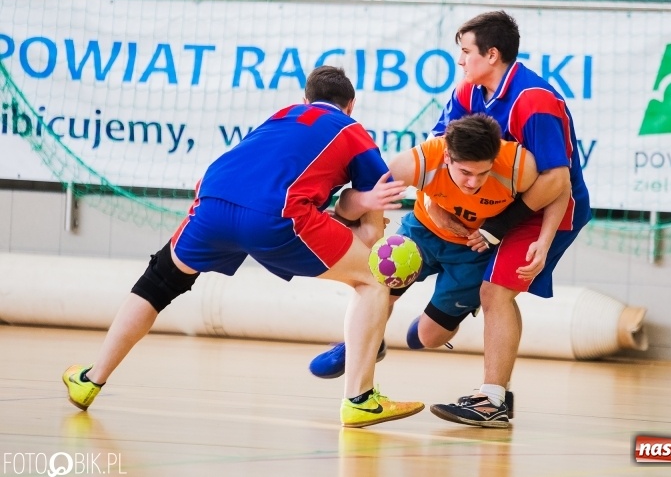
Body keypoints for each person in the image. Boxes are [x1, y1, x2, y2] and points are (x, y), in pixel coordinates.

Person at [61, 66, 425, 429]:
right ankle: (360, 399)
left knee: (160, 280)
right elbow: (374, 242)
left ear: (305, 99)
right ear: (351, 104)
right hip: (275, 212)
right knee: (374, 280)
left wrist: (346, 212)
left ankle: (91, 380)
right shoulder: (353, 132)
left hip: (213, 198)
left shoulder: (281, 116)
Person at [310, 113, 551, 424]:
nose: (473, 183)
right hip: (421, 234)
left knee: (428, 337)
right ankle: (364, 344)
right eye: (465, 173)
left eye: (482, 174)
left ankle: (407, 330)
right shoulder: (418, 161)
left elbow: (558, 190)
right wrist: (361, 226)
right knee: (377, 289)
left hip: (472, 251)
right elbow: (355, 198)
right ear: (448, 156)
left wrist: (542, 240)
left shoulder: (519, 166)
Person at [427, 10, 592, 428]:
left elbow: (558, 180)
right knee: (477, 299)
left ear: (493, 54)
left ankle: (492, 400)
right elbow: (437, 149)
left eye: (466, 52)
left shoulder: (533, 100)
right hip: (497, 210)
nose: (461, 61)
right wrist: (435, 205)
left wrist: (539, 237)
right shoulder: (468, 93)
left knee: (495, 293)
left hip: (548, 208)